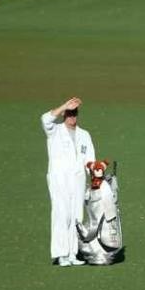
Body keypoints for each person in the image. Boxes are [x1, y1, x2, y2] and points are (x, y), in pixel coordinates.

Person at [41, 97, 96, 267]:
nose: (72, 117)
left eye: (75, 114)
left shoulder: (84, 135)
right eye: (69, 114)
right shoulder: (55, 131)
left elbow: (90, 160)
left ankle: (73, 253)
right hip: (59, 178)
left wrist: (95, 178)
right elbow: (45, 119)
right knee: (61, 214)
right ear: (64, 114)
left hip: (78, 179)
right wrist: (64, 105)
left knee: (76, 216)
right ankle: (61, 254)